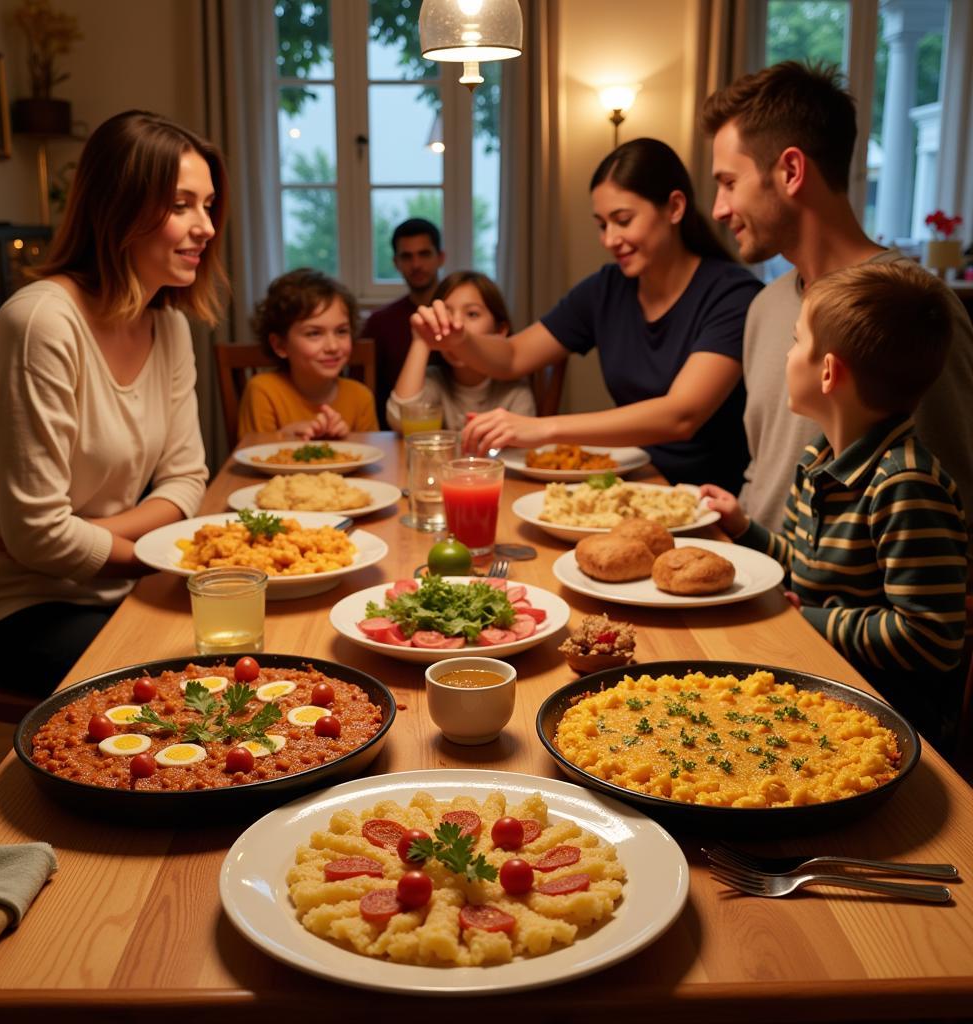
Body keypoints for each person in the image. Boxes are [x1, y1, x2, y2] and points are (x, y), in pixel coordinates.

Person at [0, 110, 224, 694]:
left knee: (252, 649)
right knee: (207, 688)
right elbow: (36, 541)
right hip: (24, 608)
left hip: (118, 587)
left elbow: (185, 478)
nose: (205, 226)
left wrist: (87, 533)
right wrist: (157, 558)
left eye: (207, 204)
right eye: (180, 205)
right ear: (119, 208)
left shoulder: (170, 327)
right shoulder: (40, 324)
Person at [703, 60, 973, 539]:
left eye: (728, 183)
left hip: (839, 612)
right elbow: (764, 472)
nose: (719, 209)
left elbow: (952, 505)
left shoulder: (908, 307)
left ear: (790, 170)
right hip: (753, 577)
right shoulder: (764, 307)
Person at [701, 262, 967, 746]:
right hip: (821, 675)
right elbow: (810, 572)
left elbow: (931, 637)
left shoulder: (905, 484)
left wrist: (806, 618)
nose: (787, 354)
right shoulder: (820, 460)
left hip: (890, 713)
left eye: (796, 340)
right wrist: (744, 529)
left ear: (827, 372)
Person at [410, 139, 763, 492]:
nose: (609, 239)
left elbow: (681, 415)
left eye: (623, 221)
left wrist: (546, 428)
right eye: (601, 224)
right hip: (636, 484)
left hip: (710, 500)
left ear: (674, 208)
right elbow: (515, 356)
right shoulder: (606, 289)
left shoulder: (731, 294)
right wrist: (462, 340)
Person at [237, 268, 379, 440]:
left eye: (341, 331)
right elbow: (252, 456)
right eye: (314, 333)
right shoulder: (263, 391)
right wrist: (282, 438)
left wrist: (348, 440)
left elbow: (373, 458)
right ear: (280, 345)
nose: (333, 346)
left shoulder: (360, 397)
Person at [385, 270, 535, 432]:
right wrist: (422, 339)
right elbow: (399, 420)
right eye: (446, 314)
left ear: (500, 330)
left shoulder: (514, 391)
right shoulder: (434, 382)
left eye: (472, 314)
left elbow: (522, 448)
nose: (455, 325)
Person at [362, 218, 446, 427]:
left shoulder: (462, 318)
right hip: (399, 430)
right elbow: (366, 391)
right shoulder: (379, 323)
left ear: (440, 257)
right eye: (407, 256)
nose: (416, 265)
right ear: (395, 263)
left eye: (424, 254)